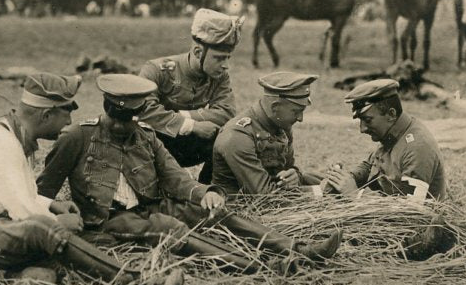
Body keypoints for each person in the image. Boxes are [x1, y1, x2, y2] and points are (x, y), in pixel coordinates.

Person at [36, 74, 341, 273]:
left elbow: (174, 176)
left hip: (152, 204)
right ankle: (264, 267)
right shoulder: (77, 137)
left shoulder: (144, 135)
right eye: (117, 119)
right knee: (171, 227)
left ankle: (297, 249)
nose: (122, 127)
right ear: (107, 109)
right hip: (108, 219)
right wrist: (55, 223)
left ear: (139, 115)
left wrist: (203, 193)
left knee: (214, 214)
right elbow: (43, 190)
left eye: (130, 120)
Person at [0, 73, 183, 285]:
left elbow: (10, 195)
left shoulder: (10, 135)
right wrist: (59, 223)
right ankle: (139, 283)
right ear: (46, 115)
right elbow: (23, 213)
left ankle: (19, 276)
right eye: (65, 114)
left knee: (59, 254)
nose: (69, 122)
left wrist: (52, 204)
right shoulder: (0, 142)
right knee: (44, 229)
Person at [137, 8, 245, 183]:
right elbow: (144, 110)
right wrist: (192, 126)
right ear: (197, 52)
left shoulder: (219, 76)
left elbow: (226, 112)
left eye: (228, 58)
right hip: (155, 148)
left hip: (189, 147)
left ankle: (206, 189)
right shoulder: (157, 70)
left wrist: (182, 117)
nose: (226, 66)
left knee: (229, 138)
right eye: (219, 58)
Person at [323, 79, 446, 203]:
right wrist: (344, 178)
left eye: (368, 120)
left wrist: (355, 194)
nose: (362, 129)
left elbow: (410, 210)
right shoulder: (394, 133)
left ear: (391, 114)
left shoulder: (418, 147)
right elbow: (371, 165)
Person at [211, 72, 323, 195]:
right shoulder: (238, 135)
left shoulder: (281, 126)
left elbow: (288, 168)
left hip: (272, 200)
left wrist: (294, 175)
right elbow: (264, 195)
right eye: (296, 111)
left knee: (321, 179)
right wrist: (318, 192)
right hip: (240, 208)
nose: (300, 118)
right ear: (275, 107)